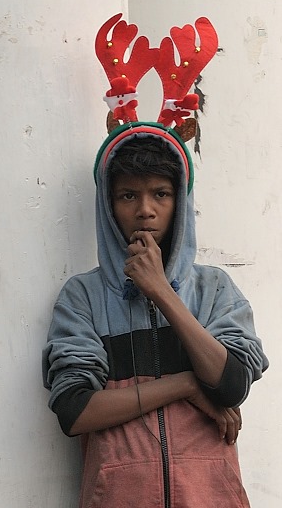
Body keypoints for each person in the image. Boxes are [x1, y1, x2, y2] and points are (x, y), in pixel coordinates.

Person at [42, 120, 268, 508]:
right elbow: (74, 411)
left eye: (160, 194)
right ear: (108, 206)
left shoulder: (214, 289)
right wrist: (186, 386)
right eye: (128, 195)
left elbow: (231, 387)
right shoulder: (84, 296)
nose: (145, 210)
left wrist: (162, 291)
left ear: (180, 202)